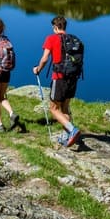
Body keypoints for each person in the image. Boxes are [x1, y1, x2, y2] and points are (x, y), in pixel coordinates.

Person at [32, 14, 80, 147]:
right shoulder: (73, 39)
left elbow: (45, 58)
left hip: (59, 78)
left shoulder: (51, 38)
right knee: (65, 108)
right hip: (73, 77)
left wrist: (38, 69)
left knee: (53, 109)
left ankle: (72, 130)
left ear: (55, 27)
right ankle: (66, 136)